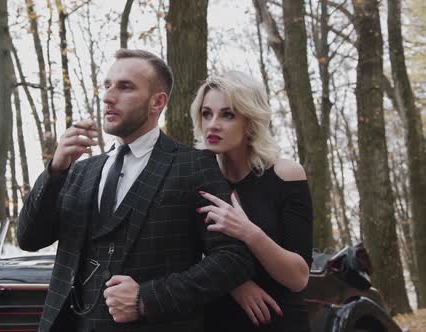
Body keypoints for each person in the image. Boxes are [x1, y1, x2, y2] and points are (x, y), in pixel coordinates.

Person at [17, 49, 255, 332]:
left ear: (157, 102)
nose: (108, 96)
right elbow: (29, 238)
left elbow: (232, 259)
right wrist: (55, 171)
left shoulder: (194, 166)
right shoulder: (79, 170)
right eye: (107, 85)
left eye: (125, 87)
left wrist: (148, 298)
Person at [190, 71, 313, 332]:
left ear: (250, 122)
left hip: (277, 319)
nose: (212, 125)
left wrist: (248, 231)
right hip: (213, 318)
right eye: (206, 113)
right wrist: (235, 282)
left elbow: (299, 277)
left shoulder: (285, 175)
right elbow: (178, 255)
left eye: (228, 114)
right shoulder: (191, 179)